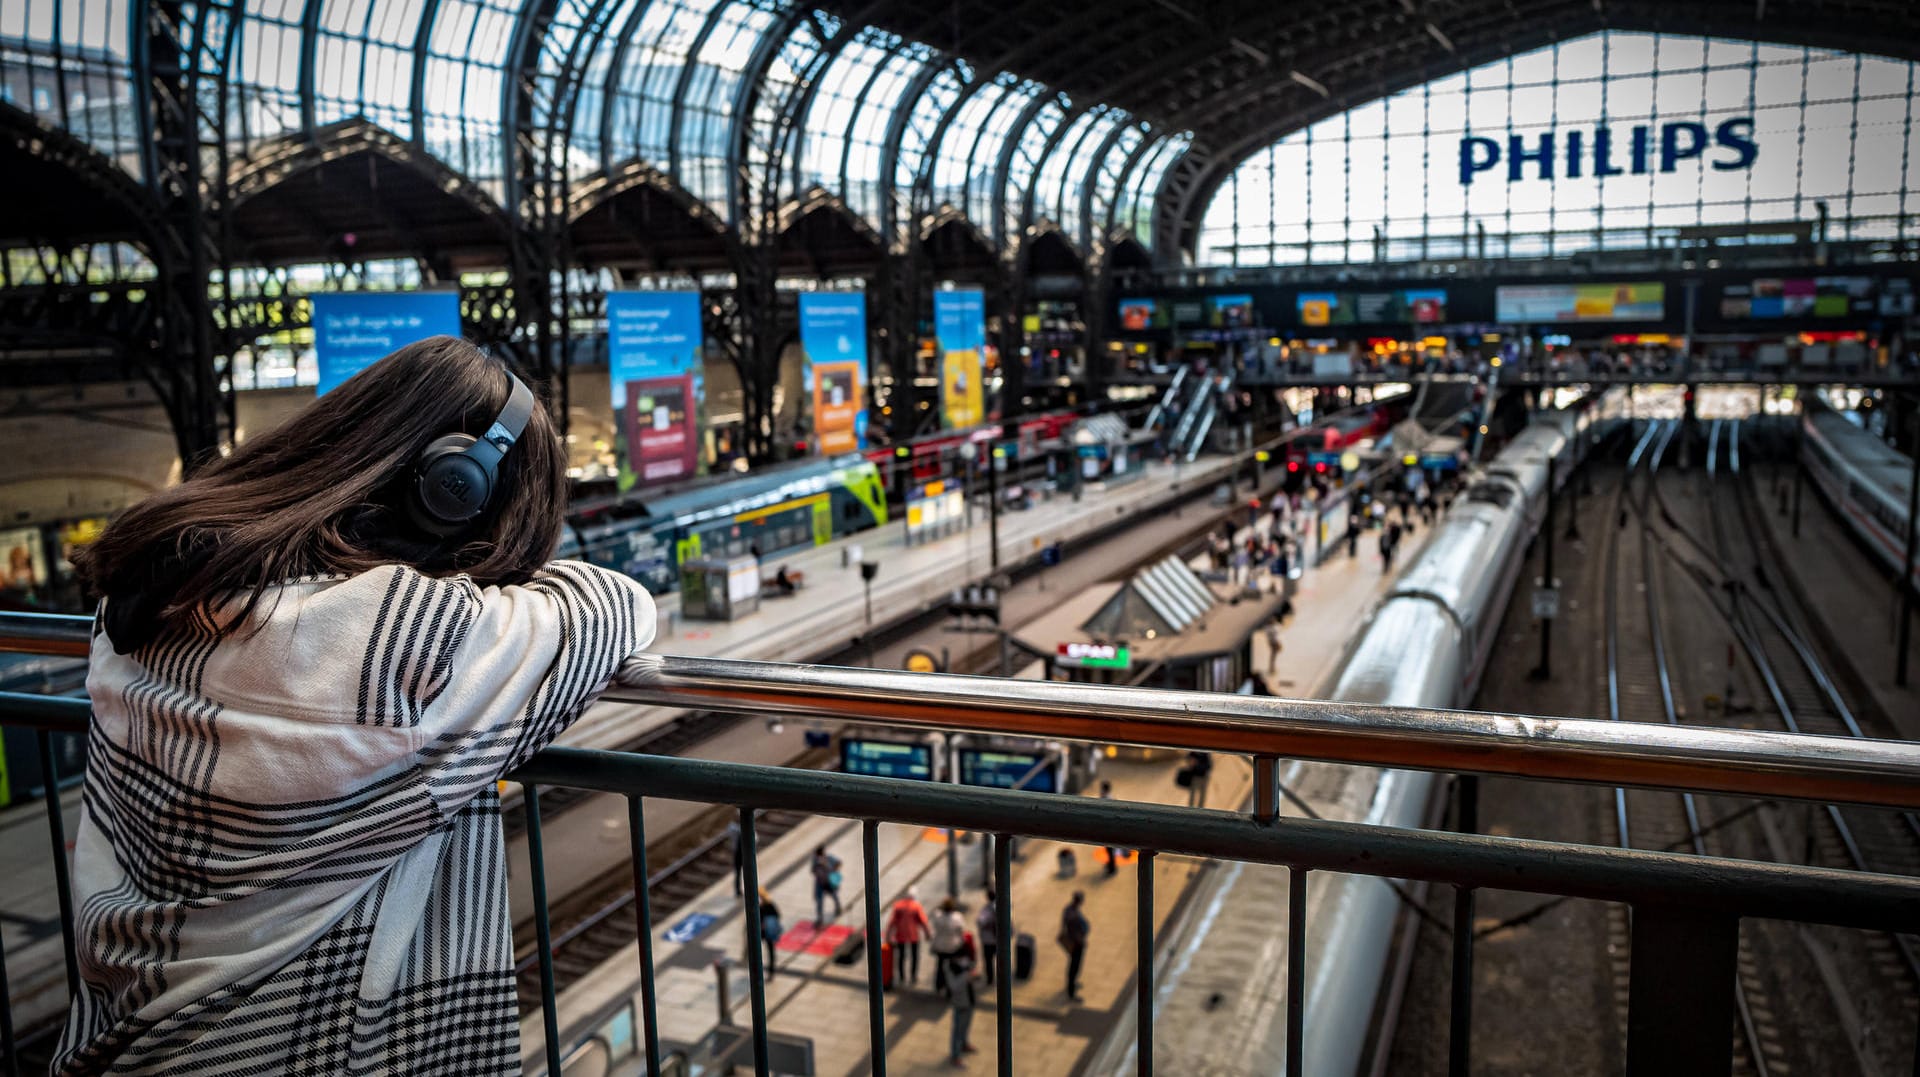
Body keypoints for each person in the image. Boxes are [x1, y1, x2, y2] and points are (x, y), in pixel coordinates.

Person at [53, 337, 659, 1075]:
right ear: (449, 491)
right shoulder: (395, 647)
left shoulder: (147, 594)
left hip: (115, 1041)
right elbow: (614, 604)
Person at [887, 887, 931, 987]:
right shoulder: (916, 906)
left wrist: (888, 936)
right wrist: (927, 934)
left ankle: (902, 977)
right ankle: (913, 976)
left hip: (900, 935)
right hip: (913, 935)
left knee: (901, 957)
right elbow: (923, 921)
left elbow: (892, 922)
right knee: (915, 956)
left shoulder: (898, 905)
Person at [942, 950, 980, 1067]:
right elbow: (954, 986)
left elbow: (975, 975)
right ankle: (955, 1055)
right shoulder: (950, 967)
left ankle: (964, 1044)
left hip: (970, 999)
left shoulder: (966, 963)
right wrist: (967, 975)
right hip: (960, 1003)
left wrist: (974, 974)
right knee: (958, 1030)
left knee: (966, 1025)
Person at [930, 897, 969, 993]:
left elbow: (934, 917)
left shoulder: (938, 916)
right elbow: (961, 931)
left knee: (940, 966)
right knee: (952, 967)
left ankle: (939, 985)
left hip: (940, 945)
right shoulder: (957, 917)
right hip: (953, 946)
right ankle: (950, 987)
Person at [1059, 892, 1091, 1001]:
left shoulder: (1068, 910)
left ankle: (1072, 984)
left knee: (1074, 965)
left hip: (1075, 941)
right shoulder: (1073, 915)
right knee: (1074, 966)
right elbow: (1074, 930)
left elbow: (1064, 925)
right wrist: (1081, 940)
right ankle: (1071, 992)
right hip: (1076, 943)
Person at [811, 845, 843, 926]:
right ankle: (820, 919)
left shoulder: (829, 858)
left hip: (829, 882)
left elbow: (839, 862)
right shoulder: (815, 861)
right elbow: (813, 871)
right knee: (819, 902)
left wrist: (831, 868)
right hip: (820, 884)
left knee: (834, 896)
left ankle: (838, 908)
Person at [976, 889, 1000, 986]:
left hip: (988, 940)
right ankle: (1000, 976)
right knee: (1000, 959)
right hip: (998, 940)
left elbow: (980, 922)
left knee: (989, 961)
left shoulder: (986, 910)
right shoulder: (1003, 906)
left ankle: (990, 979)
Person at [758, 887, 784, 978]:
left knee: (770, 951)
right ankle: (770, 971)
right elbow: (777, 915)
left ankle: (771, 971)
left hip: (766, 932)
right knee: (769, 951)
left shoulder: (766, 906)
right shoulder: (767, 905)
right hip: (765, 932)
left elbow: (777, 915)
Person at [1100, 780, 1120, 875]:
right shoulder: (1108, 797)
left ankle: (1112, 868)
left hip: (1108, 828)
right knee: (1109, 849)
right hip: (1108, 828)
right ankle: (1111, 865)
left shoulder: (1106, 799)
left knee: (1110, 849)